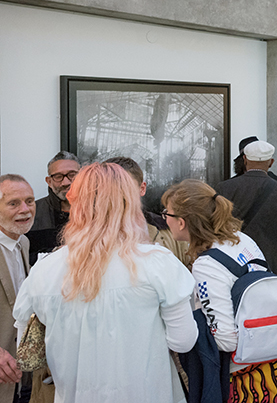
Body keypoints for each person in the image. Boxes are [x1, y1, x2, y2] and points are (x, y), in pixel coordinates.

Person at [13, 163, 197, 403]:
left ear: (75, 205)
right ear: (129, 203)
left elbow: (25, 345)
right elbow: (183, 341)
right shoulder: (158, 263)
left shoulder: (45, 269)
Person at [161, 179, 277, 402]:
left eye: (167, 213)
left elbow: (225, 340)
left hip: (243, 378)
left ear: (182, 222)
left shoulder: (207, 265)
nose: (164, 218)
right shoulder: (241, 239)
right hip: (276, 364)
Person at [215, 140, 277, 278]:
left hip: (235, 261)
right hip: (272, 264)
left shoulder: (225, 188)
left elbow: (217, 226)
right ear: (271, 162)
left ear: (244, 159)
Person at [104, 156, 190, 266]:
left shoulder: (171, 230)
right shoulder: (88, 236)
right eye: (109, 188)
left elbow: (191, 273)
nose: (117, 195)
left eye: (126, 187)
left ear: (142, 188)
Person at [0, 175, 35, 403]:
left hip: (18, 375)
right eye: (13, 203)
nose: (25, 210)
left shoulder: (23, 242)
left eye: (30, 201)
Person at [30, 151, 80, 265]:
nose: (65, 182)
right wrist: (54, 253)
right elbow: (22, 257)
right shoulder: (32, 212)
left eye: (72, 175)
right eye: (58, 177)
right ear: (49, 181)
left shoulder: (97, 210)